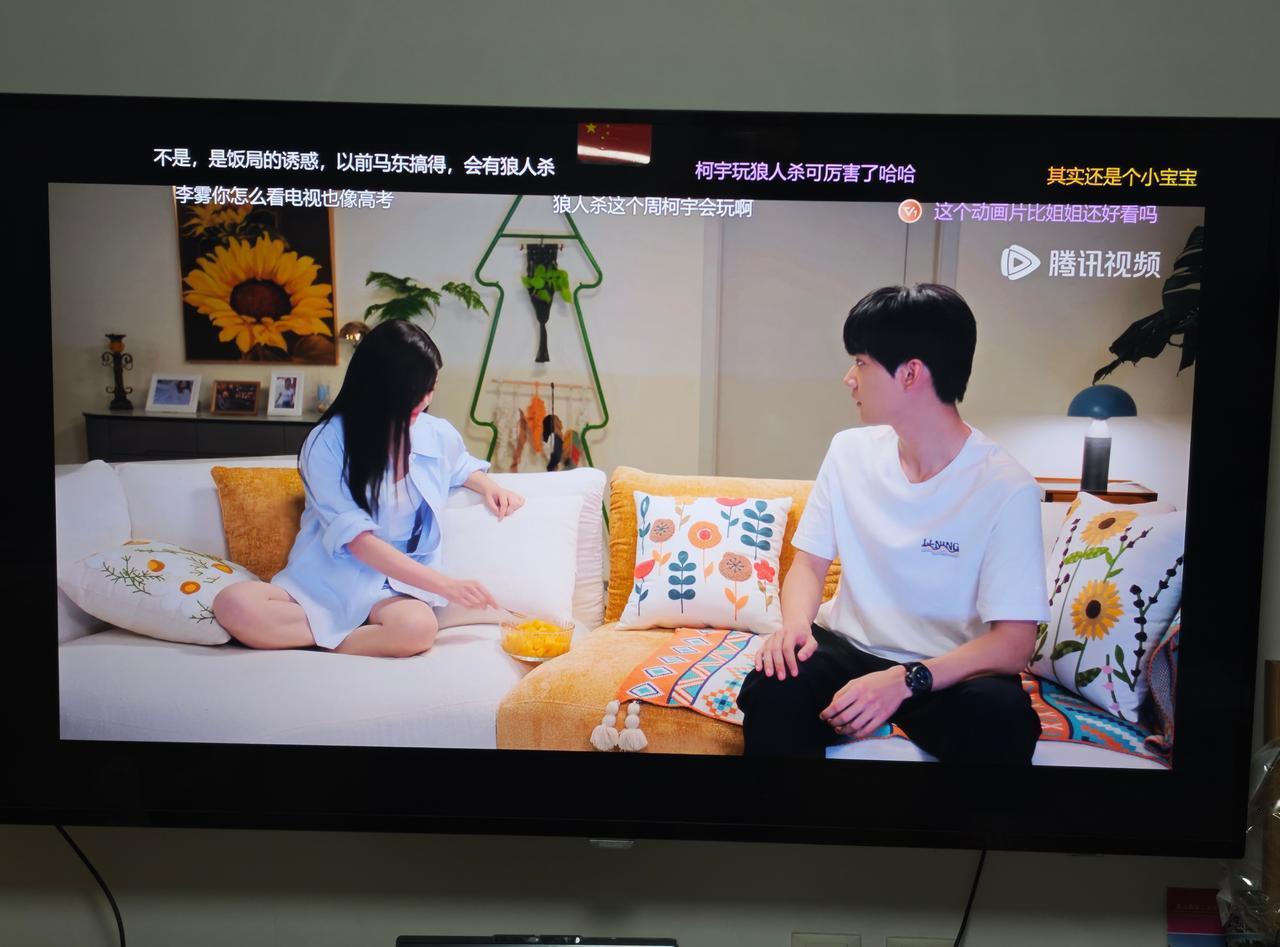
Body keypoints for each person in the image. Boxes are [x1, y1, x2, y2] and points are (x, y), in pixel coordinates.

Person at [739, 284, 1050, 765]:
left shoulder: (1006, 487)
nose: (849, 379)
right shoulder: (849, 452)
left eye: (861, 363)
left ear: (910, 374)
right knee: (773, 687)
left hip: (947, 670)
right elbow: (808, 565)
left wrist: (906, 680)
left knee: (1001, 718)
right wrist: (795, 627)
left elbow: (1014, 644)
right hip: (848, 648)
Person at [213, 320, 523, 658]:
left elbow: (459, 466)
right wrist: (447, 586)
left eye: (430, 388)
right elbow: (357, 541)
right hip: (330, 579)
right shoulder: (327, 442)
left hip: (395, 588)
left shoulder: (436, 433)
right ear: (379, 386)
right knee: (234, 604)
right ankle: (346, 634)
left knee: (418, 628)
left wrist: (489, 486)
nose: (423, 401)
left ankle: (319, 639)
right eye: (413, 391)